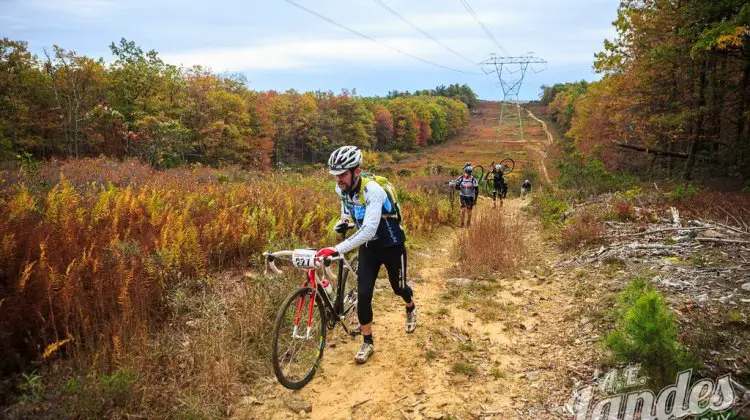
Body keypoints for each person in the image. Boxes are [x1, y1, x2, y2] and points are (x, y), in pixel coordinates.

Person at [316, 146, 417, 365]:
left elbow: (370, 229)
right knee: (363, 295)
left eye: (342, 174)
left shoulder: (373, 190)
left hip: (392, 245)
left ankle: (410, 306)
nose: (338, 180)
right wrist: (344, 219)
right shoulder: (341, 188)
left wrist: (337, 249)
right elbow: (347, 206)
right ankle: (367, 341)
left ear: (357, 171)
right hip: (369, 248)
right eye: (335, 175)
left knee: (398, 288)